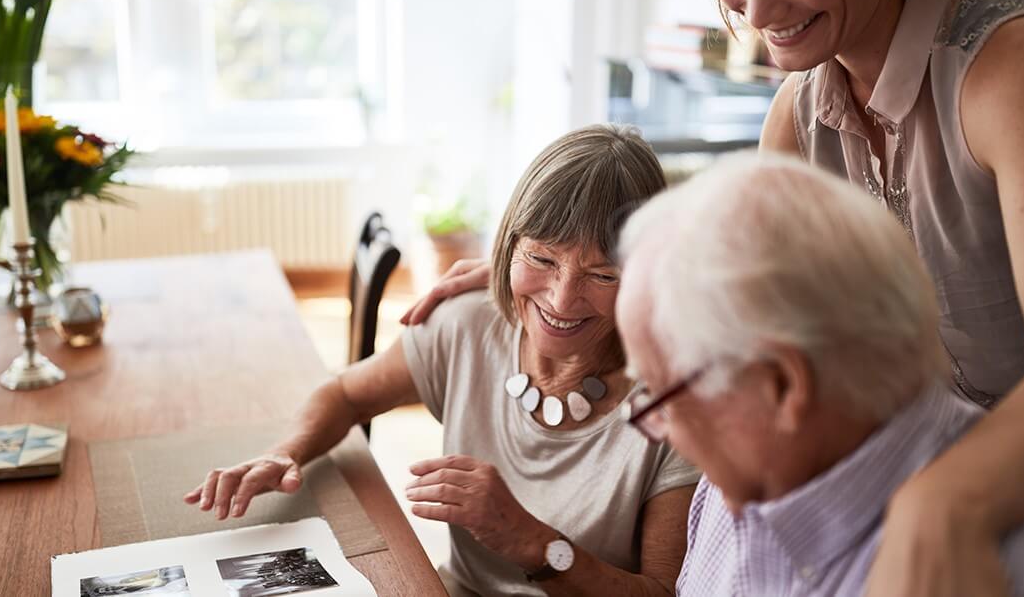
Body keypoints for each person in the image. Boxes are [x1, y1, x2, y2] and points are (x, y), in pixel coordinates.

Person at [403, 0, 1024, 591]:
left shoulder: (1012, 66)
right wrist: (534, 274)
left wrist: (948, 499)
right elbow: (734, 290)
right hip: (905, 472)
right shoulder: (799, 109)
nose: (757, 10)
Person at [184, 124, 700, 596]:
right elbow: (344, 393)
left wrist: (532, 543)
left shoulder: (678, 403)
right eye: (541, 258)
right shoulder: (469, 324)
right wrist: (286, 452)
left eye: (603, 275)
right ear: (507, 246)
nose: (562, 301)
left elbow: (660, 592)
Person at [616, 151, 1024, 596]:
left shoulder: (1009, 574)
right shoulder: (733, 490)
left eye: (661, 397)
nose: (661, 432)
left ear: (783, 386)